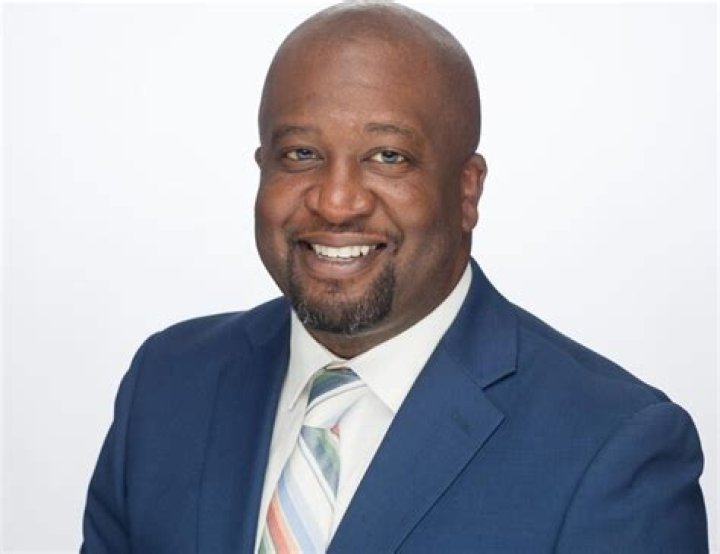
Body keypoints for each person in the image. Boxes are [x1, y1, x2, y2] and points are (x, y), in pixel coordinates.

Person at [81, 2, 708, 552]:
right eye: (301, 154)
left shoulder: (612, 446)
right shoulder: (168, 385)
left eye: (388, 157)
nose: (336, 202)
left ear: (466, 192)